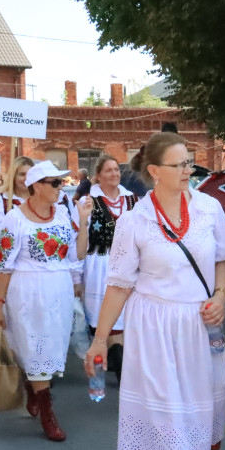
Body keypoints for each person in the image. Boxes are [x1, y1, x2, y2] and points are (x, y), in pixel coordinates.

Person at [84, 132, 225, 450]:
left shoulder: (209, 209)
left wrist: (221, 295)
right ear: (154, 172)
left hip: (201, 324)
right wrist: (100, 341)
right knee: (167, 409)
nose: (190, 170)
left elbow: (222, 260)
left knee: (193, 405)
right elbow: (118, 285)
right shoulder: (134, 221)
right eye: (181, 164)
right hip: (154, 326)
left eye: (190, 162)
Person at [0, 161, 87, 442]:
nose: (62, 188)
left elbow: (78, 254)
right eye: (56, 183)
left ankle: (35, 388)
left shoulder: (62, 215)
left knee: (52, 347)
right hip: (26, 292)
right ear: (36, 186)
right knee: (35, 347)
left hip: (59, 290)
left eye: (61, 183)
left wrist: (84, 221)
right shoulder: (15, 218)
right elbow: (4, 265)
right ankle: (48, 412)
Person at [78, 155, 137, 378]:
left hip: (130, 263)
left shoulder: (132, 199)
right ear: (98, 176)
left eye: (116, 169)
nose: (114, 174)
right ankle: (121, 368)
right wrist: (77, 276)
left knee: (128, 316)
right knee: (109, 317)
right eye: (109, 170)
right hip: (100, 265)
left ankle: (119, 361)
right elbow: (80, 242)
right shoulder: (88, 201)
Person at [0, 156, 34, 330]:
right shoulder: (2, 201)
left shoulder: (43, 200)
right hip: (10, 271)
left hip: (35, 270)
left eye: (30, 174)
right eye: (21, 174)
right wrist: (8, 225)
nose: (26, 179)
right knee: (11, 322)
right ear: (13, 176)